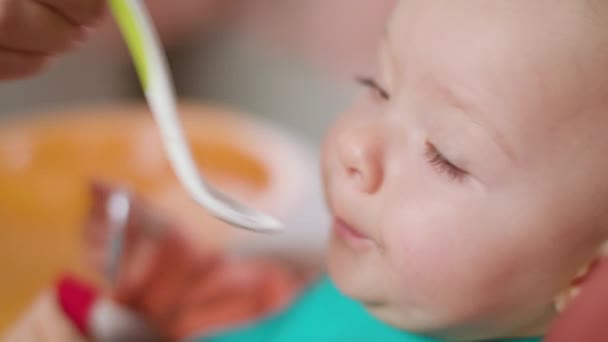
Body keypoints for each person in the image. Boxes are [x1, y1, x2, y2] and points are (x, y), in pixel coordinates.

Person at [5, 0, 608, 341]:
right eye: (377, 85)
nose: (356, 145)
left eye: (445, 156)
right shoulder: (388, 290)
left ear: (589, 271)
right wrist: (181, 292)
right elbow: (287, 318)